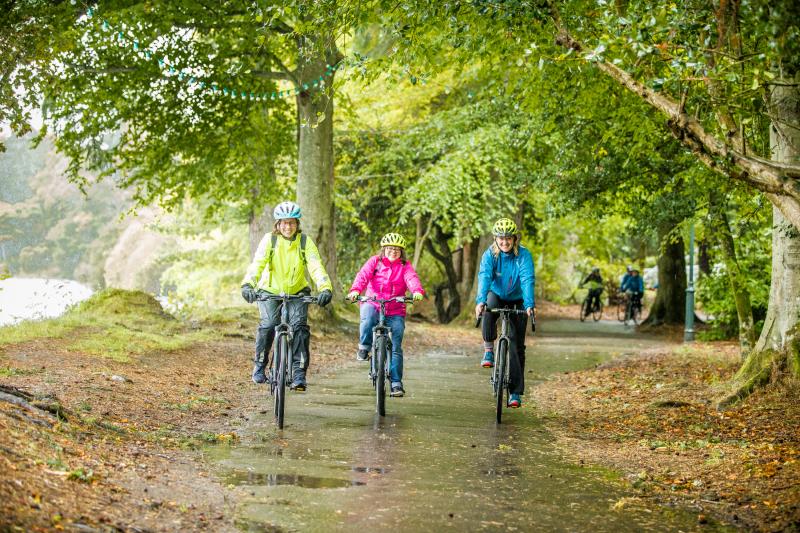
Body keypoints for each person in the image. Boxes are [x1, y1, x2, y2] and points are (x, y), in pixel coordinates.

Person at [241, 201, 333, 391]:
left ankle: (299, 374)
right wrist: (248, 284)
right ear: (277, 224)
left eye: (291, 222)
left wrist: (325, 288)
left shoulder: (305, 242)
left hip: (298, 291)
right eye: (284, 222)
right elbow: (257, 263)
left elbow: (316, 266)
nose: (288, 226)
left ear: (297, 224)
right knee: (268, 325)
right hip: (269, 290)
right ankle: (260, 365)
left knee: (299, 328)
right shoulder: (270, 240)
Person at [347, 233, 425, 398]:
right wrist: (355, 290)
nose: (393, 251)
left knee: (396, 345)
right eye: (390, 248)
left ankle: (396, 383)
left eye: (397, 249)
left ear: (401, 251)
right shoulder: (375, 261)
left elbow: (411, 278)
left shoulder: (405, 266)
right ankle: (364, 347)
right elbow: (363, 275)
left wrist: (416, 291)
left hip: (395, 308)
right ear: (384, 249)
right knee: (367, 319)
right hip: (373, 302)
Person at [474, 218, 536, 409]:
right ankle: (489, 350)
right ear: (495, 239)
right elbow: (484, 276)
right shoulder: (489, 255)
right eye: (501, 239)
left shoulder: (523, 256)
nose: (504, 242)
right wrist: (480, 301)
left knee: (516, 345)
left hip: (518, 299)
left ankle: (515, 392)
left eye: (508, 238)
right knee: (488, 309)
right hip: (497, 294)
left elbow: (527, 279)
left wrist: (529, 304)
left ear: (514, 238)